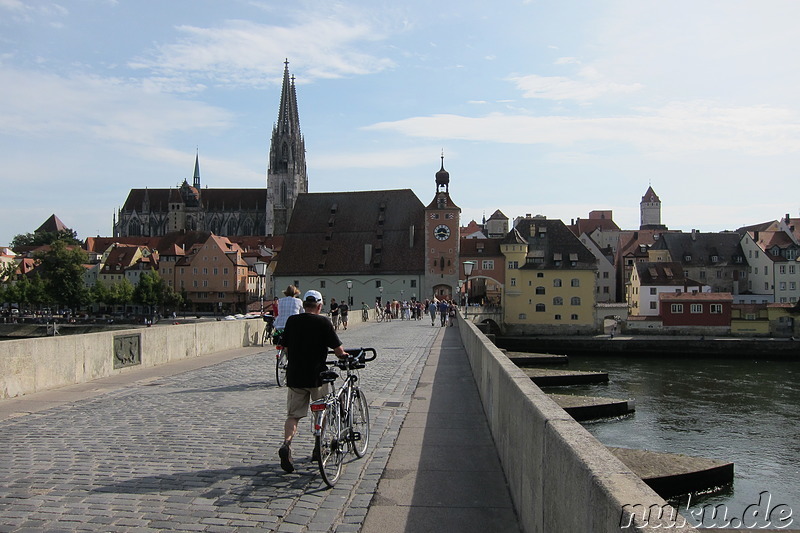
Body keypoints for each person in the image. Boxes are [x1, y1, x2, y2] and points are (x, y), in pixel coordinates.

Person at [278, 290, 346, 474]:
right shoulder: (323, 322)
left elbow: (285, 347)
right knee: (320, 413)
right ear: (319, 306)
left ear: (304, 305)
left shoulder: (292, 321)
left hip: (295, 376)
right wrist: (344, 355)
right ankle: (318, 447)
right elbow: (338, 350)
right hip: (317, 377)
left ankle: (287, 445)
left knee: (293, 415)